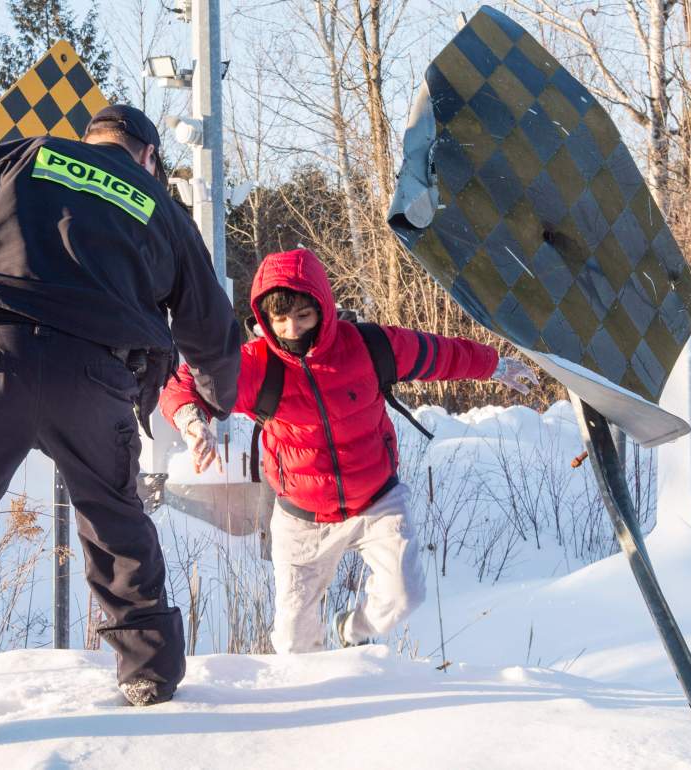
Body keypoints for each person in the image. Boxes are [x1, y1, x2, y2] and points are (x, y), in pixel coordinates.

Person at [0, 104, 241, 762]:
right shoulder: (155, 202)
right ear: (146, 156)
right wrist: (219, 399)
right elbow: (210, 323)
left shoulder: (19, 155)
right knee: (117, 521)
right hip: (96, 377)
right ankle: (147, 676)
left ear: (92, 141)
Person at [160, 248, 536, 653]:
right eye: (280, 319)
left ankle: (353, 631)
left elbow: (439, 353)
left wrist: (494, 365)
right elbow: (182, 386)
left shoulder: (370, 346)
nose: (292, 329)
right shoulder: (253, 365)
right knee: (293, 642)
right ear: (264, 319)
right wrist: (191, 421)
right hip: (301, 517)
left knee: (405, 595)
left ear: (323, 306)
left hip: (377, 501)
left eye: (304, 316)